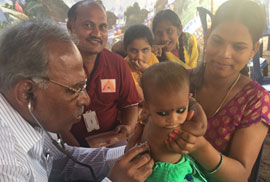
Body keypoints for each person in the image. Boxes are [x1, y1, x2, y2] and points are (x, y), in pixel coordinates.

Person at [0, 19, 154, 182]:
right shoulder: (6, 166)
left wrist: (128, 153)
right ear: (27, 92)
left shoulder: (32, 116)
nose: (86, 99)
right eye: (75, 89)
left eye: (84, 85)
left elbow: (64, 162)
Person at [165, 0, 270, 181]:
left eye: (238, 47)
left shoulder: (255, 100)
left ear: (254, 49)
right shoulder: (179, 80)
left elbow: (240, 174)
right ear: (206, 38)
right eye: (217, 41)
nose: (224, 54)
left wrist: (199, 147)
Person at [65, 0, 140, 148]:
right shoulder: (57, 65)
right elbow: (53, 118)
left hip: (111, 141)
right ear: (70, 27)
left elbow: (130, 105)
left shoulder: (117, 64)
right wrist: (78, 153)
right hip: (69, 146)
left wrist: (128, 129)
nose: (97, 34)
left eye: (102, 27)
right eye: (88, 25)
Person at [140, 62, 207, 182]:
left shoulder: (148, 118)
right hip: (171, 174)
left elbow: (133, 144)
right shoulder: (180, 128)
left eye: (180, 110)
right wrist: (194, 103)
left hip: (148, 170)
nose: (173, 119)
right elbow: (201, 127)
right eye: (163, 113)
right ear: (147, 106)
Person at [123, 24, 159, 101]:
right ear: (126, 50)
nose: (139, 56)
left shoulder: (152, 57)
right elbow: (141, 98)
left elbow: (162, 84)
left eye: (145, 50)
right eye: (134, 51)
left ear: (151, 48)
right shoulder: (124, 67)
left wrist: (147, 70)